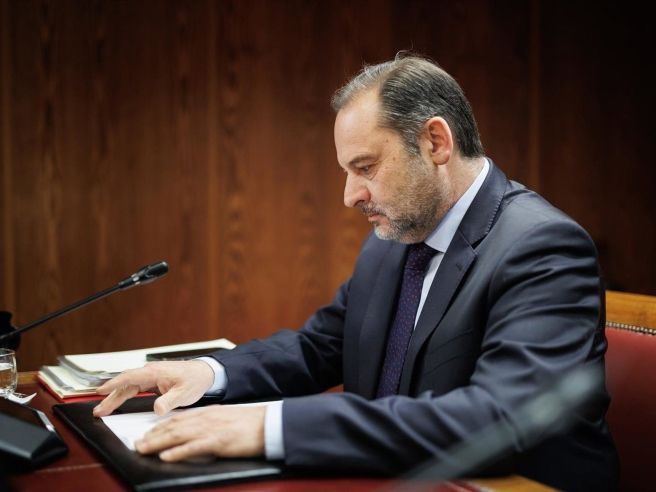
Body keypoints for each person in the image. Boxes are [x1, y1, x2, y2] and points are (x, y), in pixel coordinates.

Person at [94, 54, 618, 490]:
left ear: (436, 142)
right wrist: (208, 373)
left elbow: (498, 419)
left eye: (365, 168)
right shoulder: (396, 239)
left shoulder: (542, 247)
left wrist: (272, 426)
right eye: (347, 172)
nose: (350, 196)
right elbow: (320, 347)